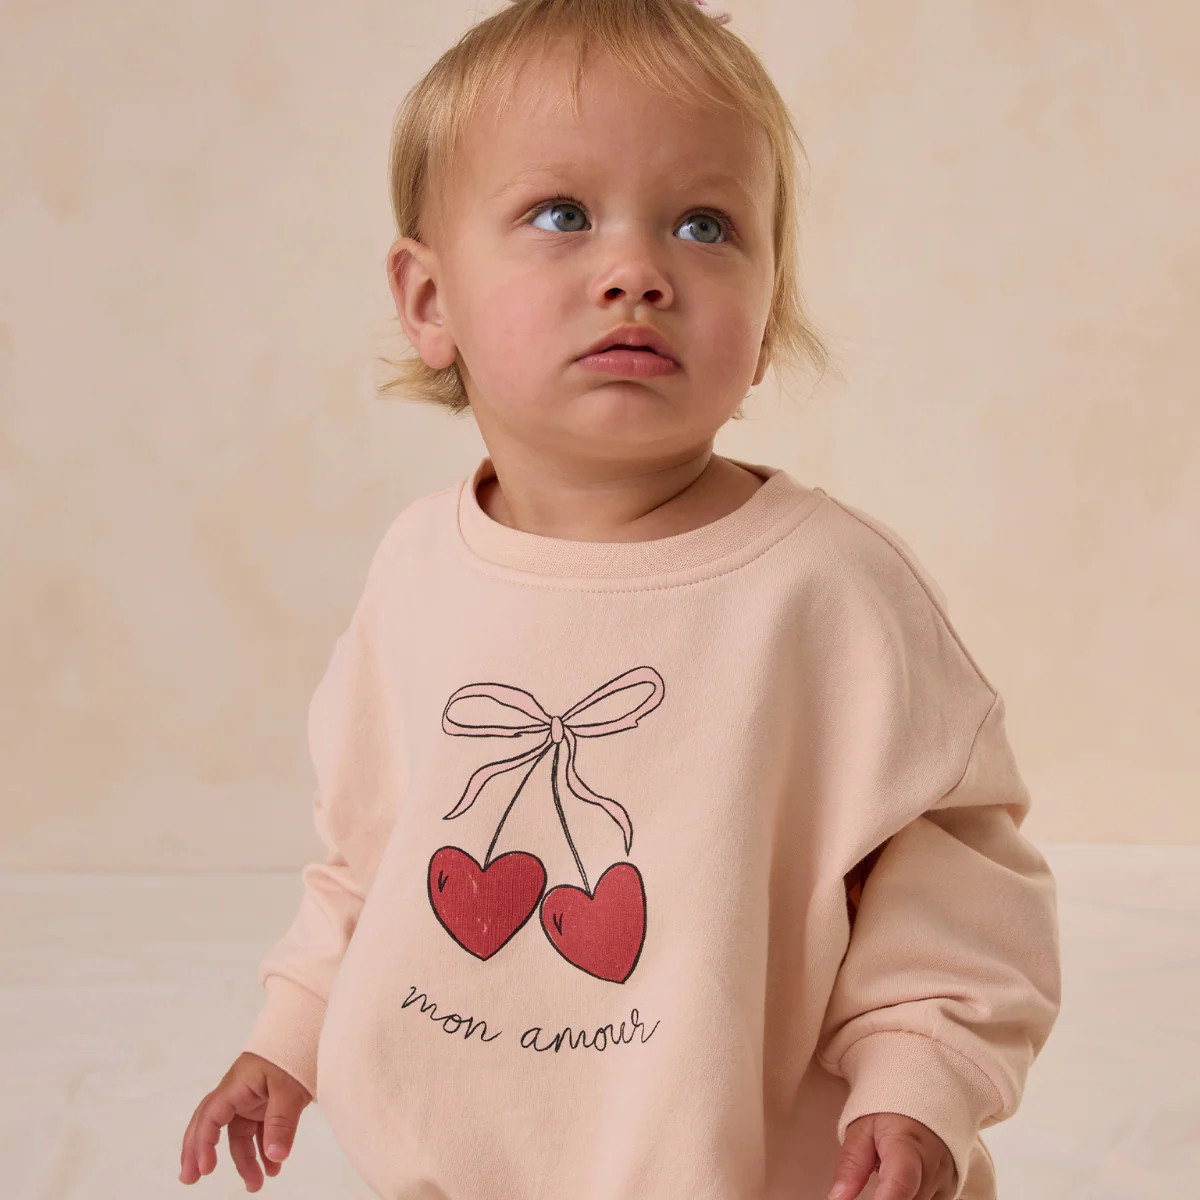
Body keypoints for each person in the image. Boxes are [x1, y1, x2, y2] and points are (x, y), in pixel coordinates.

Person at [177, 2, 1061, 1198]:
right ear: (429, 301)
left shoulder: (826, 592)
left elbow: (954, 874)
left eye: (706, 225)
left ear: (766, 322)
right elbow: (372, 855)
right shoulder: (419, 571)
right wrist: (288, 1035)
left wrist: (922, 1076)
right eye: (561, 214)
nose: (639, 272)